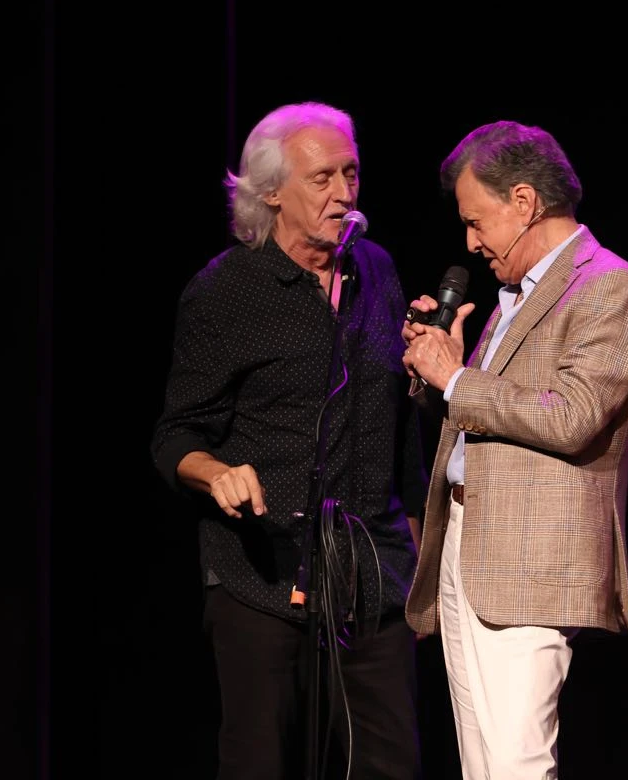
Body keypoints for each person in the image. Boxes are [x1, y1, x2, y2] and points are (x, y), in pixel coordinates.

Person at [150, 101, 427, 780]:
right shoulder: (223, 293)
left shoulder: (377, 273)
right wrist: (215, 472)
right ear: (270, 192)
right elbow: (176, 432)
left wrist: (422, 555)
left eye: (352, 173)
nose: (344, 193)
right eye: (322, 178)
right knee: (262, 764)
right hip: (263, 575)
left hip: (374, 575)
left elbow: (401, 431)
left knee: (392, 765)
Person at [400, 120, 628, 779]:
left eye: (477, 221)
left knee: (515, 763)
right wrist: (441, 371)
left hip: (532, 556)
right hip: (468, 540)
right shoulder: (517, 295)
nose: (471, 242)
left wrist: (454, 378)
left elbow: (573, 417)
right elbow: (490, 414)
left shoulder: (609, 286)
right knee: (483, 764)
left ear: (523, 202)